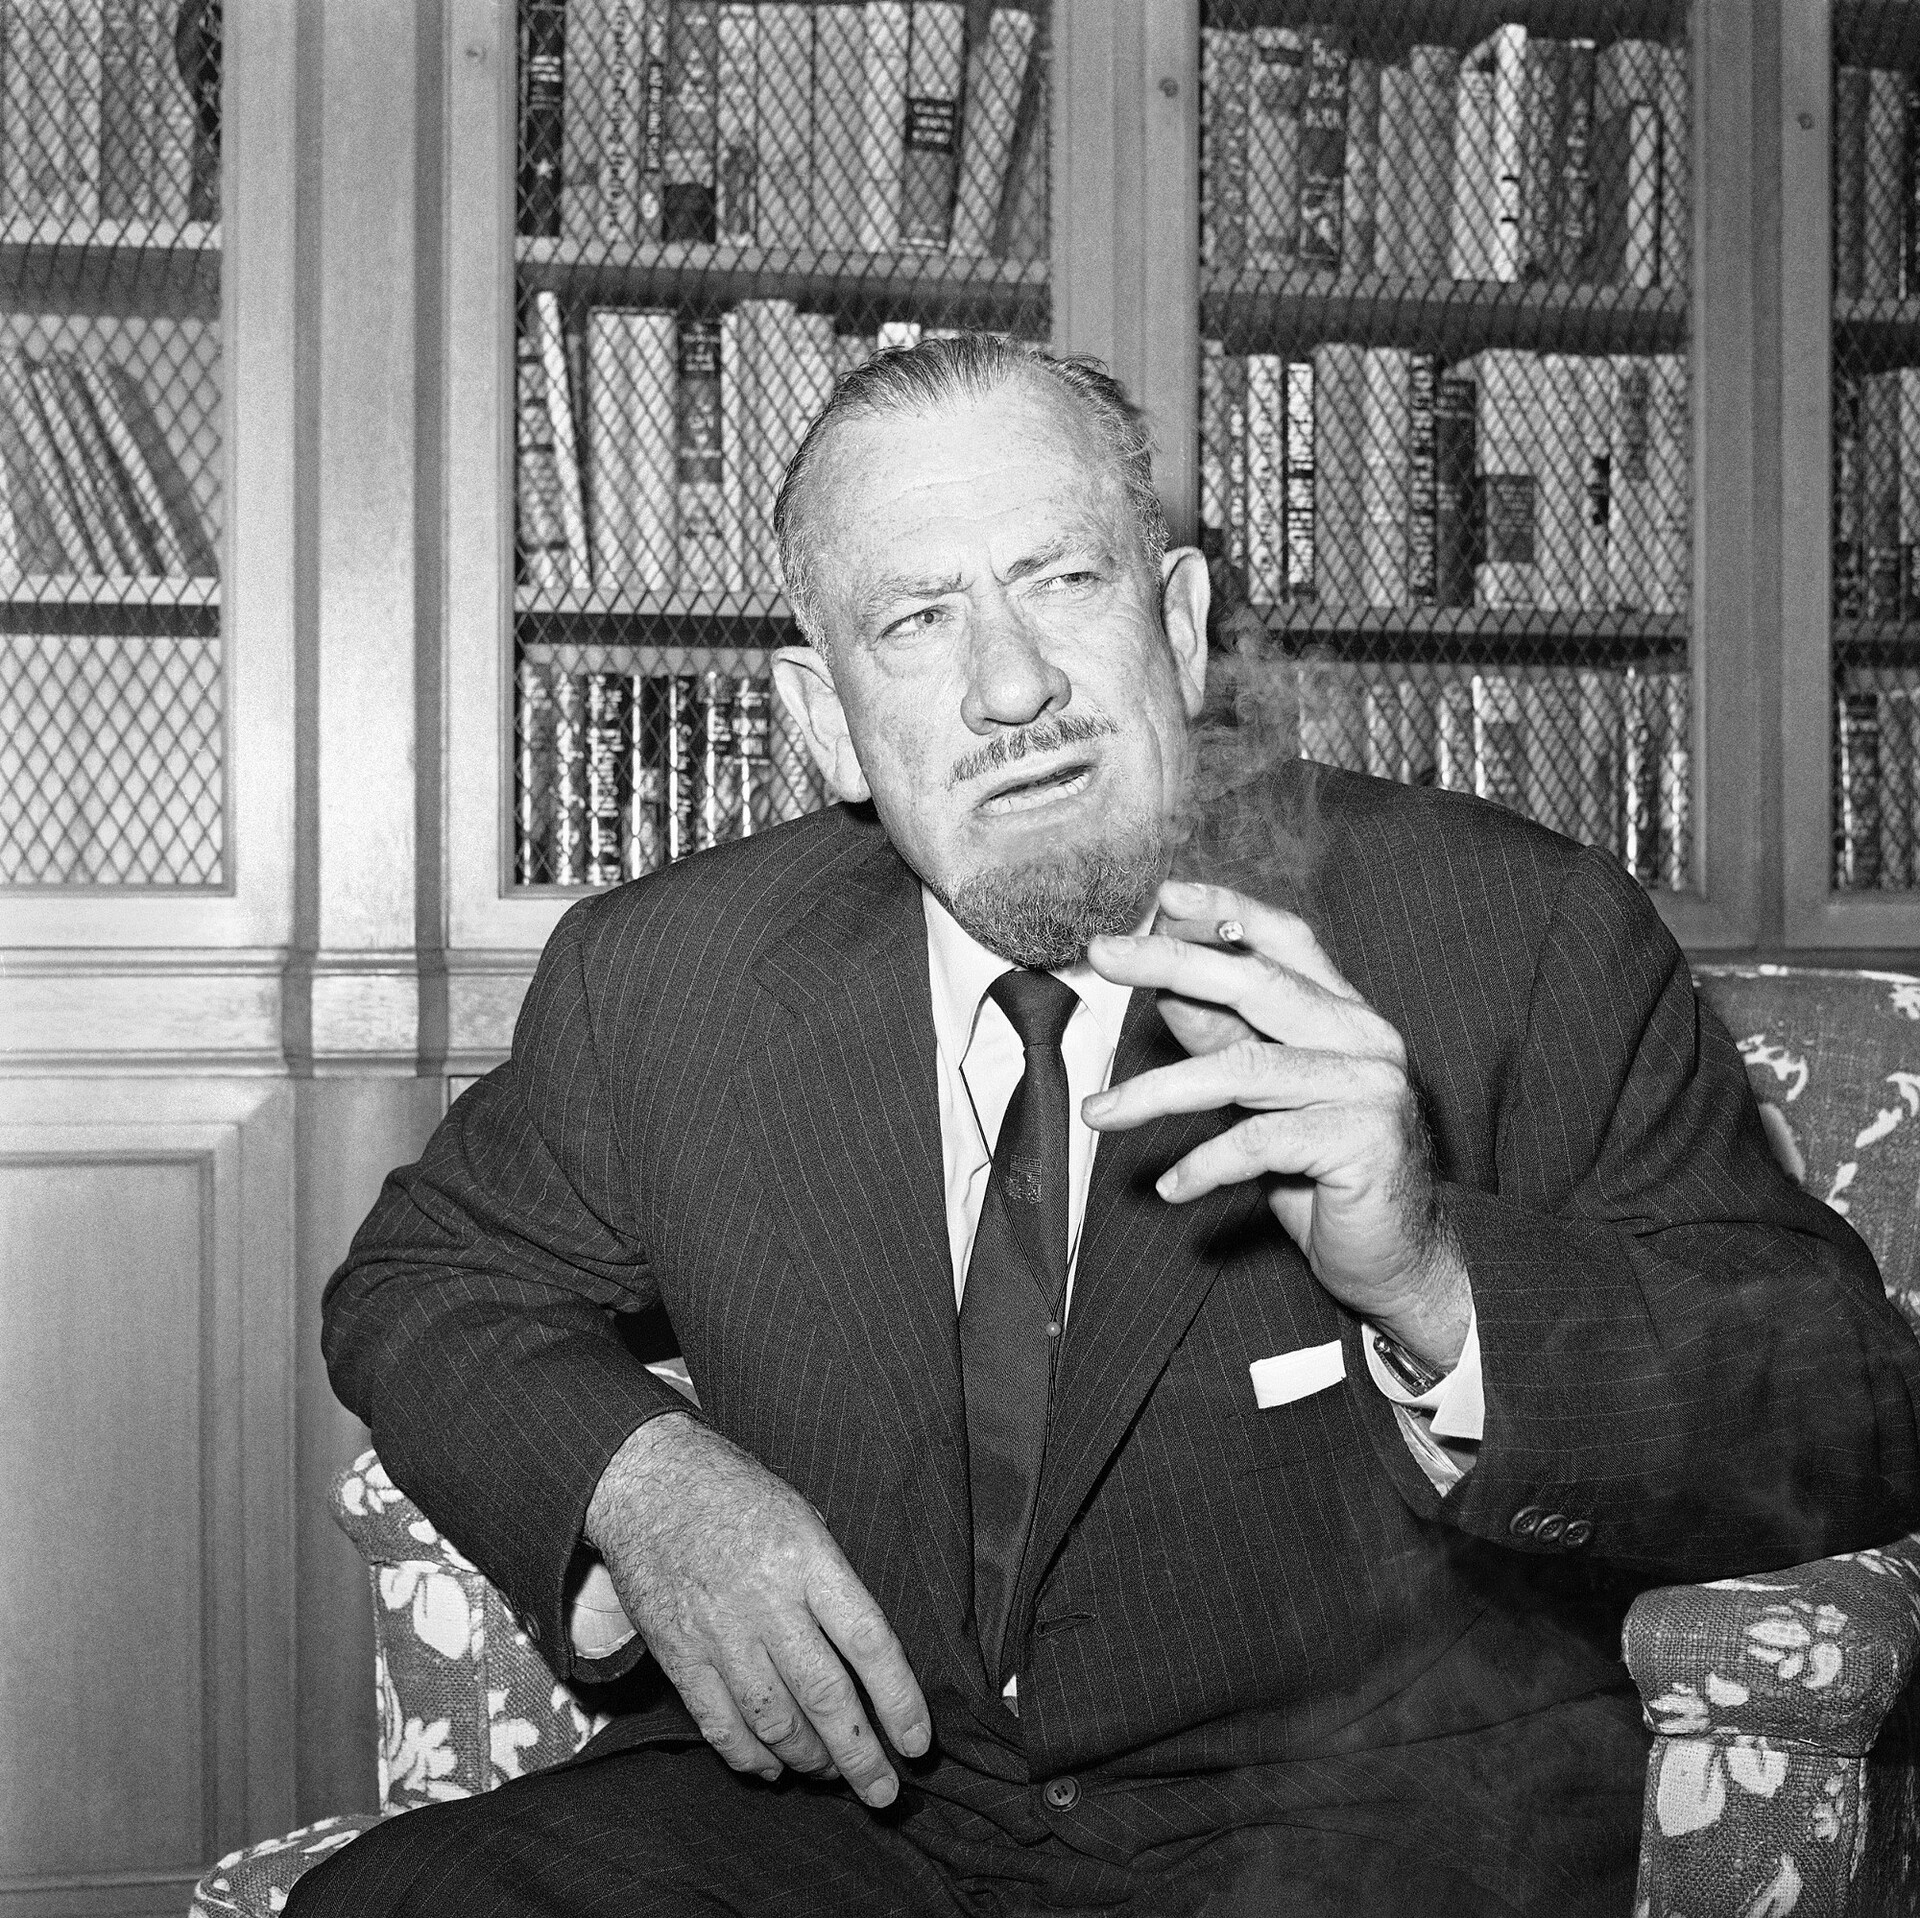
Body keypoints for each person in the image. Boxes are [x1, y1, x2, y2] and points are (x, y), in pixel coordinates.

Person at [293, 337, 1920, 1918]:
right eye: (917, 618)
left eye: (1062, 579)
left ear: (1182, 626)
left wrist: (1434, 1274)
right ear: (825, 718)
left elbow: (1851, 1406)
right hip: (840, 1810)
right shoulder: (666, 975)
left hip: (1362, 1827)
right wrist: (648, 1485)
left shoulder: (1513, 930)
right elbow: (422, 1280)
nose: (1014, 684)